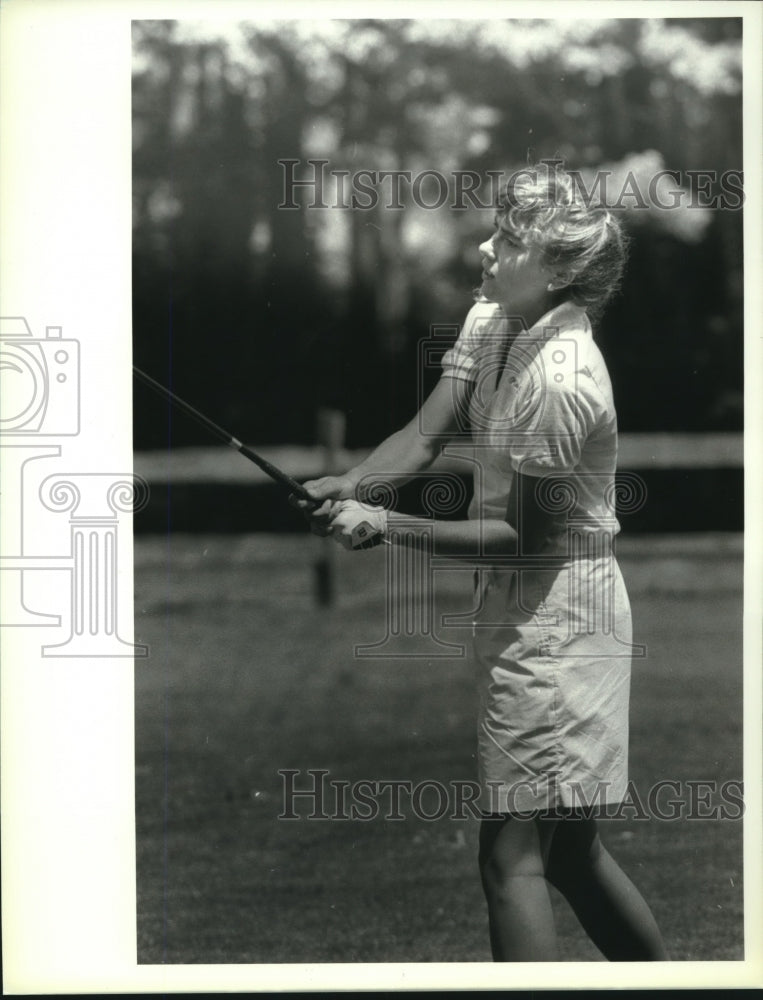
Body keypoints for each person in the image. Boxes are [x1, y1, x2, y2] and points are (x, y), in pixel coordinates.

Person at [293, 163, 668, 962]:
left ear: (559, 268)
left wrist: (383, 523)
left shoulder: (561, 377)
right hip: (529, 605)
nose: (484, 246)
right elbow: (427, 433)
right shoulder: (493, 322)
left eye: (509, 240)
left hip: (560, 619)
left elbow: (523, 538)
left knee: (510, 861)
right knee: (566, 854)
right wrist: (353, 480)